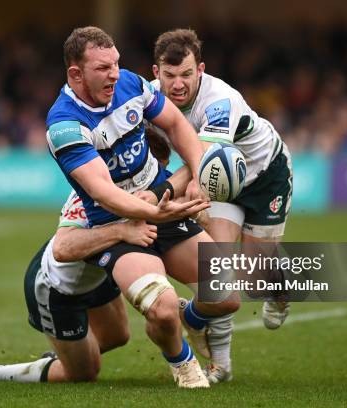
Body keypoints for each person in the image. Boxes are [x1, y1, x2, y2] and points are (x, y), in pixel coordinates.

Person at [44, 26, 239, 388]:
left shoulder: (131, 84)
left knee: (226, 295)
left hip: (159, 202)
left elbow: (177, 125)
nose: (114, 74)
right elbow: (103, 191)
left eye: (116, 63)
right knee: (163, 311)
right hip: (118, 224)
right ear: (76, 73)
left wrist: (197, 170)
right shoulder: (64, 124)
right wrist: (152, 213)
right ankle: (182, 363)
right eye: (103, 68)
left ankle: (193, 320)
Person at [146, 28, 294, 381]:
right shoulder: (148, 98)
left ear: (200, 69)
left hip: (264, 176)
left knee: (254, 278)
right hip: (222, 184)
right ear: (156, 73)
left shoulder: (219, 101)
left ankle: (280, 285)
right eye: (169, 76)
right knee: (219, 270)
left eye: (186, 74)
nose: (178, 84)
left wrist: (167, 191)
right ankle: (222, 366)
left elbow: (201, 163)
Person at [0, 194, 157, 383]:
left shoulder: (140, 178)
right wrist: (122, 231)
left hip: (96, 273)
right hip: (58, 287)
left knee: (116, 336)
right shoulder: (92, 188)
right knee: (84, 373)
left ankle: (66, 356)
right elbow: (63, 248)